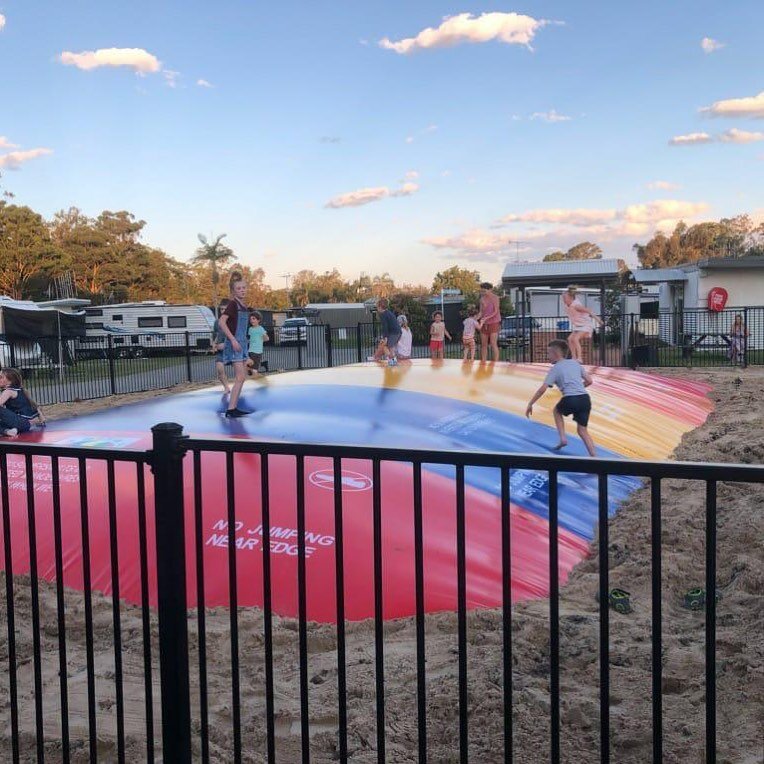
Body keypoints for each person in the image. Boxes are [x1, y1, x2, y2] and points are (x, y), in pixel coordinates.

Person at [525, 339, 597, 457]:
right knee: (582, 431)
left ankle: (563, 438)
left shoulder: (555, 368)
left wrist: (530, 403)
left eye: (548, 353)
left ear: (556, 354)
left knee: (557, 411)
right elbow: (589, 381)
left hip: (570, 398)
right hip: (585, 399)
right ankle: (595, 458)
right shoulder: (575, 363)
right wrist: (578, 387)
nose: (547, 356)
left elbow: (542, 389)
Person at [218, 271, 252, 417]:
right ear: (233, 291)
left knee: (242, 377)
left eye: (244, 287)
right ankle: (231, 410)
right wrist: (232, 340)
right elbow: (221, 322)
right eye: (239, 288)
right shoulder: (232, 304)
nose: (242, 290)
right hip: (235, 344)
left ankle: (234, 407)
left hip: (242, 343)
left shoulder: (243, 306)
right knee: (240, 377)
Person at [562, 285, 603, 363]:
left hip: (586, 325)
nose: (563, 300)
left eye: (565, 298)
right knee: (570, 339)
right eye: (563, 298)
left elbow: (589, 310)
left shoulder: (576, 306)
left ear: (570, 298)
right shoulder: (567, 305)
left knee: (575, 339)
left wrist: (598, 320)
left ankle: (579, 358)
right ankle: (573, 357)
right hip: (578, 325)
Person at [0, 368, 45, 436]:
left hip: (18, 422)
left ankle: (8, 430)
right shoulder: (21, 390)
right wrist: (42, 419)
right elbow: (35, 407)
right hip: (26, 425)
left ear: (10, 380)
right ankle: (10, 431)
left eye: (1, 377)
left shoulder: (8, 391)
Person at [370, 299, 401, 365]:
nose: (377, 309)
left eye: (377, 307)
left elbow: (385, 327)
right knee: (390, 346)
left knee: (385, 346)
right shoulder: (388, 312)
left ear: (380, 307)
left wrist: (385, 338)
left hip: (394, 333)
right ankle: (378, 357)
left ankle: (392, 360)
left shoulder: (383, 314)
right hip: (398, 332)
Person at [477, 282, 501, 363]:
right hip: (484, 324)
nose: (483, 293)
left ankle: (496, 362)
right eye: (482, 291)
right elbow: (481, 312)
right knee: (484, 344)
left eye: (484, 291)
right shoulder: (482, 299)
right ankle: (483, 362)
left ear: (490, 289)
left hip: (494, 322)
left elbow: (495, 311)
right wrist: (475, 318)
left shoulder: (495, 298)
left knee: (493, 343)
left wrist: (486, 318)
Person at [212, 313, 231, 394]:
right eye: (222, 309)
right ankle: (226, 388)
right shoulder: (217, 322)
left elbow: (237, 337)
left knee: (240, 370)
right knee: (220, 369)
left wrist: (226, 345)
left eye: (225, 309)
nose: (223, 311)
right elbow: (216, 334)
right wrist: (214, 344)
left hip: (231, 350)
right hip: (221, 352)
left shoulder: (232, 322)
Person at [246, 311, 269, 377]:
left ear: (258, 320)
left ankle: (255, 377)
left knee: (254, 370)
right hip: (250, 351)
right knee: (248, 367)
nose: (251, 320)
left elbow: (267, 338)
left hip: (257, 352)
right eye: (250, 319)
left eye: (253, 319)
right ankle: (254, 374)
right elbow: (251, 338)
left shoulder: (261, 329)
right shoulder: (250, 329)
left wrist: (261, 339)